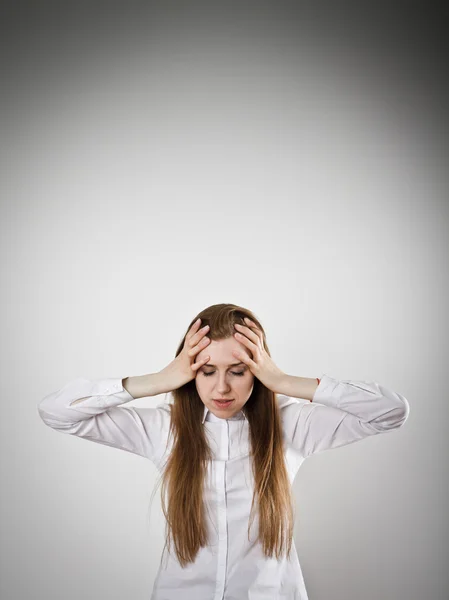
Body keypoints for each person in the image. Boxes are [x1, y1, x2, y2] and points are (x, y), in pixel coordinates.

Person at [38, 303, 410, 600]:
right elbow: (57, 413)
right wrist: (157, 381)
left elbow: (391, 412)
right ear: (189, 373)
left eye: (238, 371)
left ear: (258, 372)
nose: (222, 389)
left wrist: (283, 381)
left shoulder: (291, 427)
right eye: (206, 371)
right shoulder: (164, 429)